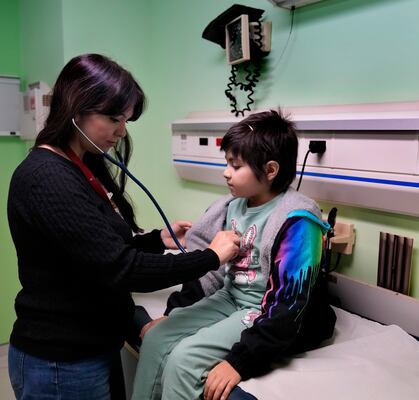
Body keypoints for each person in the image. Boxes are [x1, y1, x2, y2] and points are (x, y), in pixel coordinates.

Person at [6, 53, 240, 400]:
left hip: (93, 346)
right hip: (61, 362)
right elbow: (122, 269)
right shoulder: (47, 178)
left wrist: (158, 239)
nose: (121, 131)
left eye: (126, 120)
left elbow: (95, 248)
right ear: (75, 109)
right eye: (113, 118)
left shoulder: (79, 165)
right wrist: (210, 257)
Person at [131, 110, 336, 400]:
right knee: (155, 339)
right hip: (229, 297)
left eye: (236, 165)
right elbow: (210, 269)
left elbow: (289, 305)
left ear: (271, 170)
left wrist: (239, 363)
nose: (226, 172)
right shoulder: (233, 205)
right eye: (227, 162)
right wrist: (174, 314)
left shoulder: (298, 221)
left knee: (184, 360)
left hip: (261, 309)